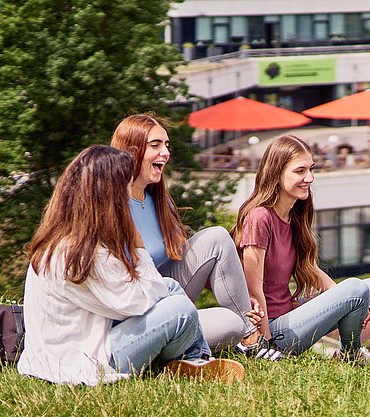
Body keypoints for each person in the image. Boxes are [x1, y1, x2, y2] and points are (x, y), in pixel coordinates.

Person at [17, 145, 245, 385]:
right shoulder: (81, 254)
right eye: (124, 188)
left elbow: (150, 291)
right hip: (84, 361)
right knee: (179, 309)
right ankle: (193, 359)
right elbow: (140, 301)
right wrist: (138, 246)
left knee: (171, 288)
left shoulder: (68, 240)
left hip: (76, 347)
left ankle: (192, 359)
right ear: (109, 196)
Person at [110, 114, 283, 360]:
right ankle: (170, 346)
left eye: (167, 145)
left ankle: (250, 338)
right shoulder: (111, 206)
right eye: (155, 145)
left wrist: (241, 299)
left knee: (217, 238)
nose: (166, 153)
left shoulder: (157, 201)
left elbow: (202, 266)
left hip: (166, 294)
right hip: (136, 312)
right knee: (227, 325)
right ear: (130, 150)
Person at [232, 135, 370, 365]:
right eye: (300, 171)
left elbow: (308, 267)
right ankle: (352, 355)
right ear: (276, 173)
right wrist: (265, 344)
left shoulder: (294, 214)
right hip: (275, 331)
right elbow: (253, 293)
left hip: (293, 313)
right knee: (355, 288)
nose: (309, 178)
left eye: (311, 169)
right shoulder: (259, 218)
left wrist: (354, 301)